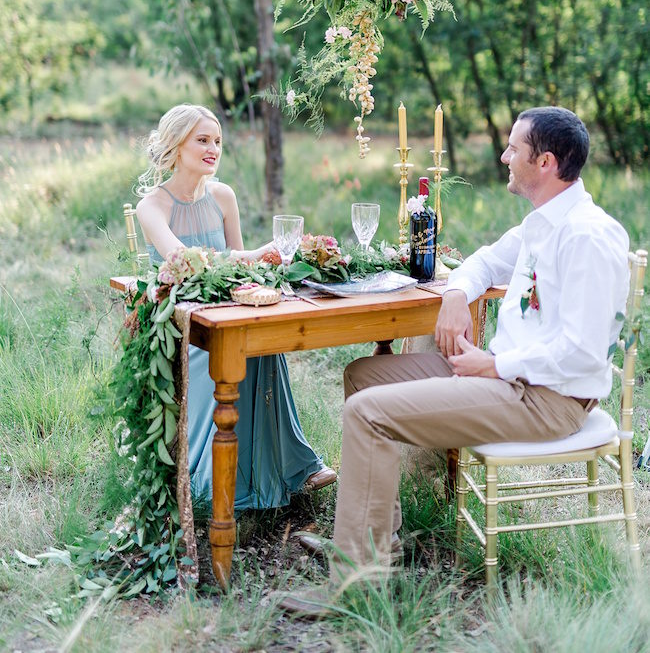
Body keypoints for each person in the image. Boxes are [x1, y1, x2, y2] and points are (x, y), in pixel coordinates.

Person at [280, 106, 629, 617]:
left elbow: (580, 349)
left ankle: (355, 584)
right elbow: (486, 259)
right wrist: (454, 295)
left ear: (546, 162)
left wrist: (492, 366)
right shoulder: (546, 222)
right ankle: (376, 546)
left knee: (367, 412)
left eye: (514, 148)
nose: (504, 156)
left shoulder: (587, 236)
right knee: (364, 377)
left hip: (547, 398)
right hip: (510, 378)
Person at [136, 103, 336, 511]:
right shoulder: (153, 206)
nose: (213, 149)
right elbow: (183, 260)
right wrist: (248, 256)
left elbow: (234, 258)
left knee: (265, 339)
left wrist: (262, 257)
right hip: (183, 322)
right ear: (176, 144)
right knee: (235, 349)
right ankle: (214, 482)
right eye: (203, 140)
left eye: (218, 141)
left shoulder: (223, 196)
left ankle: (294, 466)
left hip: (227, 306)